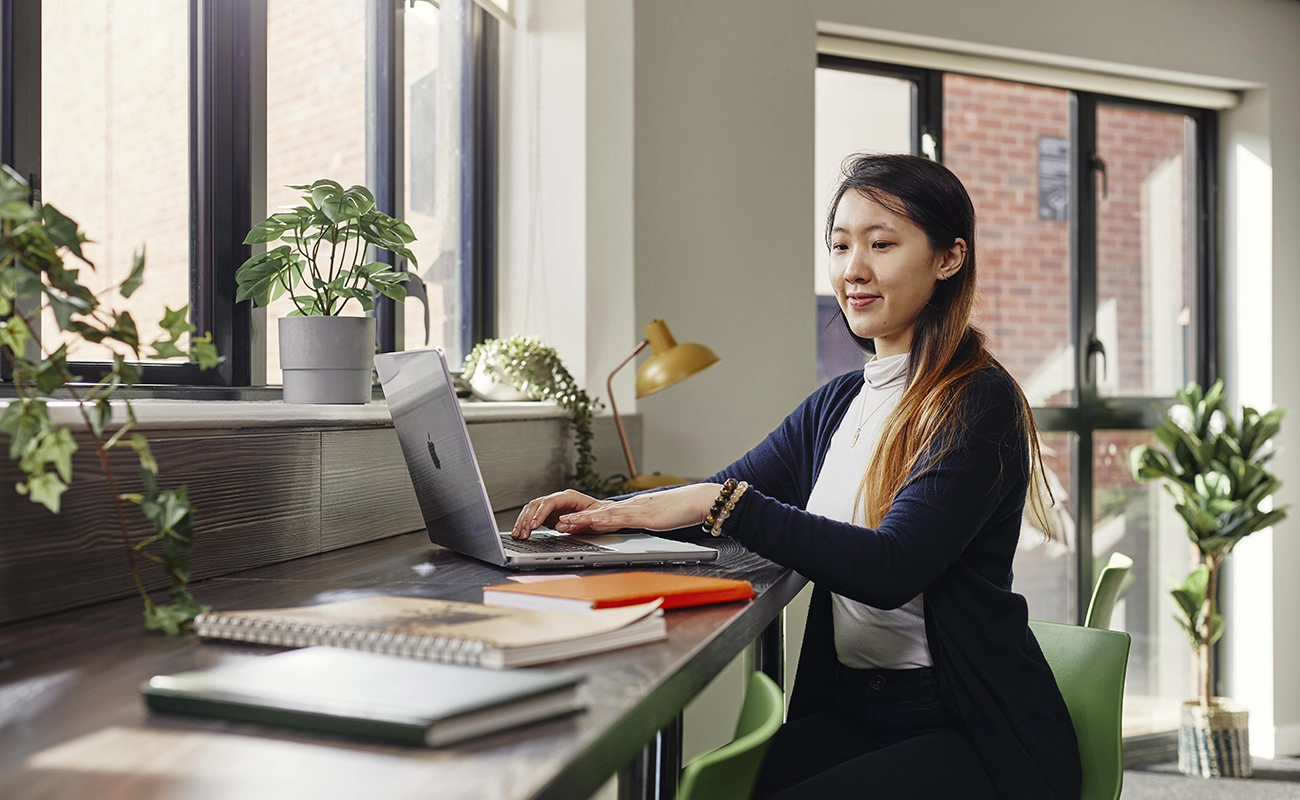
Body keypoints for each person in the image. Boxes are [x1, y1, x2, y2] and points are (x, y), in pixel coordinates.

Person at [510, 153, 1081, 800]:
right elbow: (718, 496)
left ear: (949, 259)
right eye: (839, 246)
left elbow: (890, 567)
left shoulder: (978, 401)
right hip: (859, 711)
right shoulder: (838, 404)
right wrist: (605, 510)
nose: (852, 270)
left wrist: (722, 501)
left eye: (881, 244)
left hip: (974, 734)